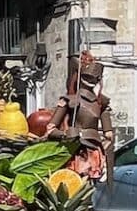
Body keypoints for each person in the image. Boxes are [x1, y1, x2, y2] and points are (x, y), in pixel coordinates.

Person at [47, 51, 115, 184]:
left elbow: (109, 136)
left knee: (90, 188)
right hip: (73, 150)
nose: (91, 81)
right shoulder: (69, 100)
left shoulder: (102, 103)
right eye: (88, 77)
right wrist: (64, 135)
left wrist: (103, 149)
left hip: (94, 153)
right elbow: (50, 129)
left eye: (95, 78)